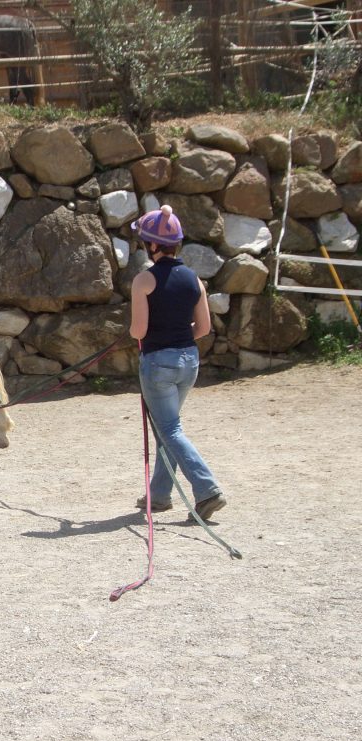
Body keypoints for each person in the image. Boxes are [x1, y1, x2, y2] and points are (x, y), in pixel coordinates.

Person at [128, 205, 227, 520]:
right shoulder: (195, 280)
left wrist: (139, 332)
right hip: (189, 362)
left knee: (169, 428)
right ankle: (158, 495)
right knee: (166, 427)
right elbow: (204, 328)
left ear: (152, 246)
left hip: (158, 364)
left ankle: (207, 488)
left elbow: (139, 331)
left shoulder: (144, 280)